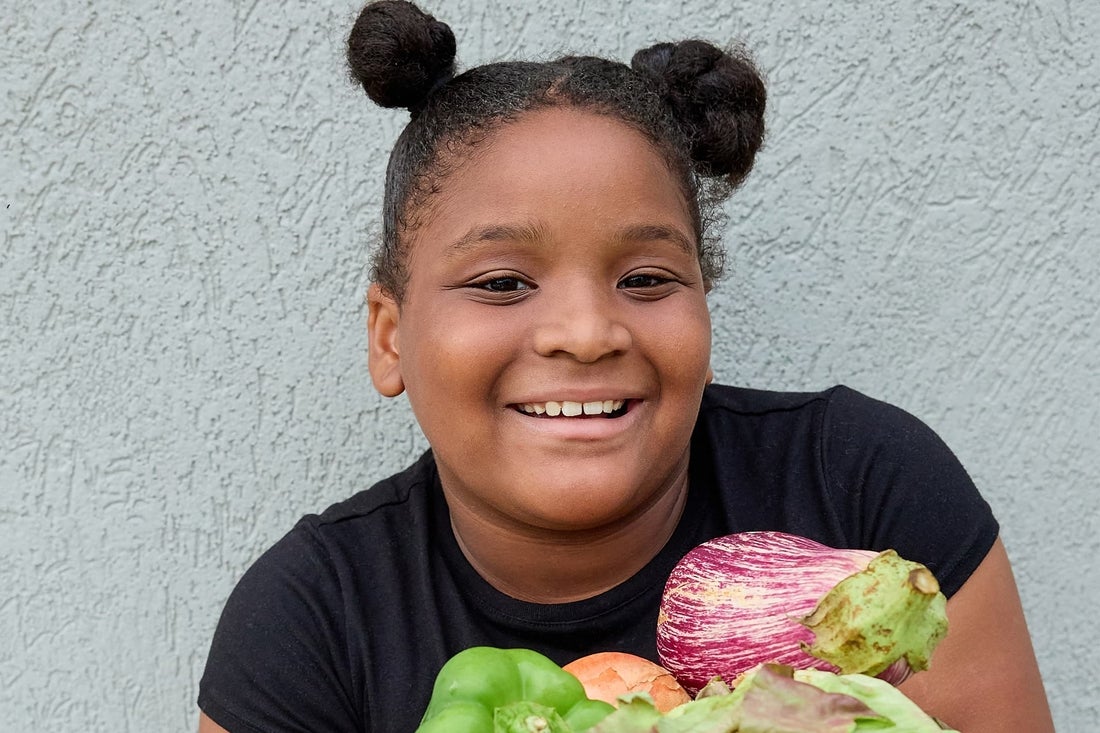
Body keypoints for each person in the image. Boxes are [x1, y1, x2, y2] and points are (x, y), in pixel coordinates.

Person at [197, 2, 1054, 731]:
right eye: (502, 282)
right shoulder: (312, 620)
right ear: (390, 337)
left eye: (645, 279)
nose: (585, 332)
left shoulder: (862, 492)